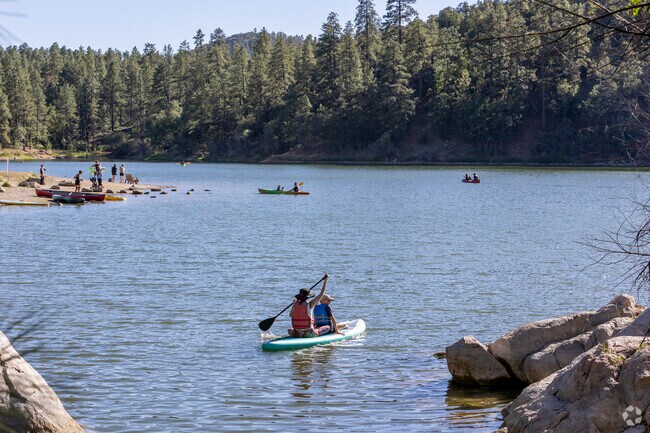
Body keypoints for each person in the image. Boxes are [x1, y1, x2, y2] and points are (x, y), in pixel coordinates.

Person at [288, 274, 329, 338]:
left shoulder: (295, 304)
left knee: (290, 330)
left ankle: (300, 335)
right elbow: (321, 294)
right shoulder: (310, 304)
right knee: (327, 327)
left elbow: (290, 315)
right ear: (308, 297)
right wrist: (325, 280)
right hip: (309, 333)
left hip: (297, 333)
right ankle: (317, 332)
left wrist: (293, 304)